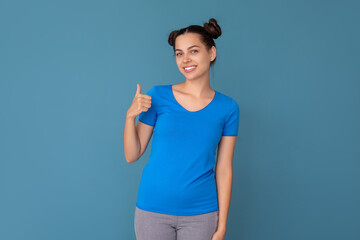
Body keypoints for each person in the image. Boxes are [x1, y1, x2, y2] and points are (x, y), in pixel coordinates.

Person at [123, 18, 239, 240]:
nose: (185, 59)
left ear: (211, 53)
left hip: (201, 214)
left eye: (193, 51)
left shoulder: (228, 108)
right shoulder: (158, 96)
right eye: (179, 53)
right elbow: (132, 154)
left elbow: (224, 169)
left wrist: (222, 225)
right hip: (152, 210)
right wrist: (130, 117)